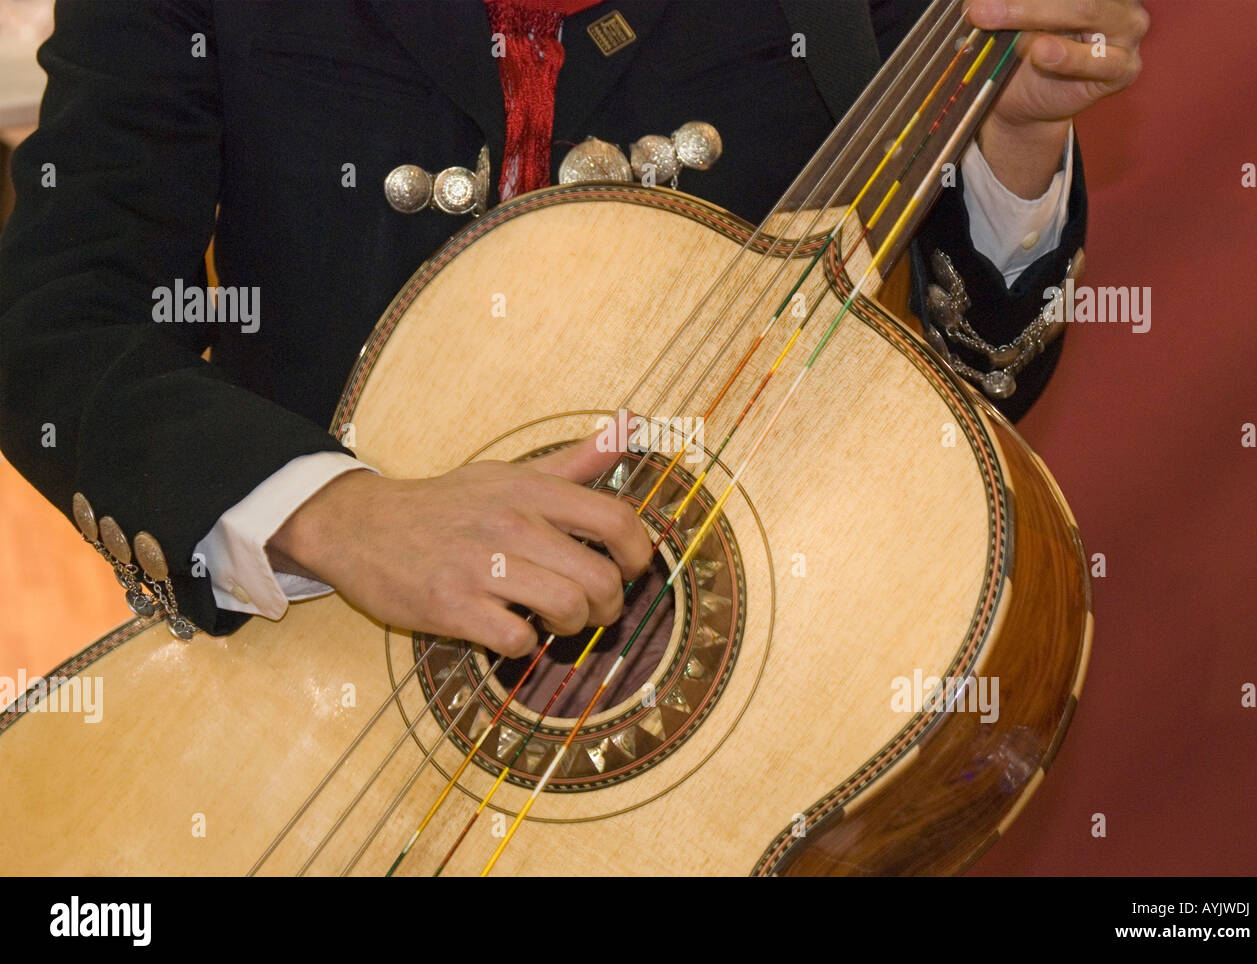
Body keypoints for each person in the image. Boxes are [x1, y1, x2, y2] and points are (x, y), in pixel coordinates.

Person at [0, 0, 1146, 656]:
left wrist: (1011, 143)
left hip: (746, 705)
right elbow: (55, 321)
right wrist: (338, 517)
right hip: (319, 700)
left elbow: (958, 391)